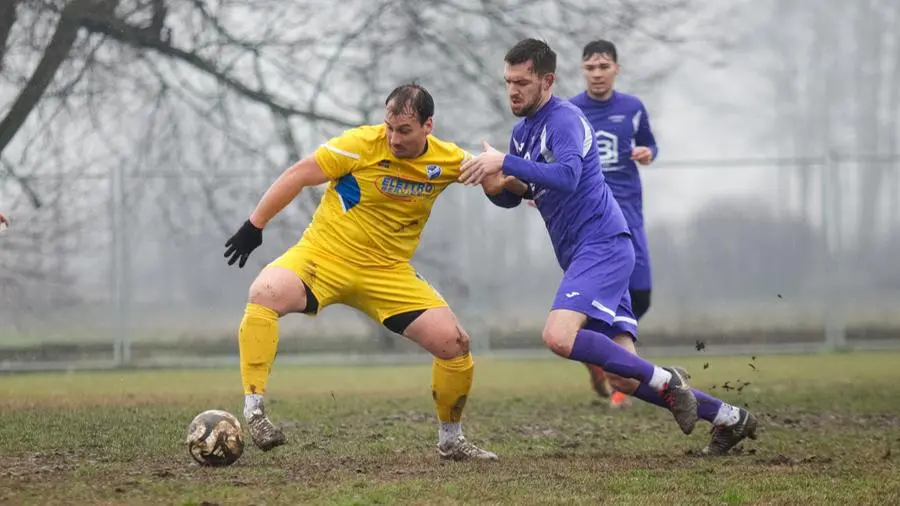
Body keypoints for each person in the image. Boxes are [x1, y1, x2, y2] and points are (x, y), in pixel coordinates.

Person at [459, 38, 757, 455]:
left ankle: (668, 380)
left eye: (522, 82)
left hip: (603, 245)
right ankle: (729, 417)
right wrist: (495, 185)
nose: (513, 90)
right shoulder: (523, 131)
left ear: (547, 80)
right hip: (585, 254)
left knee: (559, 336)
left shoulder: (564, 120)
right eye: (508, 81)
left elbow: (565, 176)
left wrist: (505, 164)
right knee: (623, 377)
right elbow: (521, 192)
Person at [223, 84, 497, 461]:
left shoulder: (448, 159)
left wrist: (516, 177)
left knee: (455, 344)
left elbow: (494, 179)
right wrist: (255, 225)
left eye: (404, 130)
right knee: (264, 292)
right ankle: (254, 410)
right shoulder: (359, 144)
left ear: (428, 126)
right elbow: (300, 174)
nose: (393, 138)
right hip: (324, 257)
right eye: (389, 127)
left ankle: (451, 439)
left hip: (387, 272)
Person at [569, 39, 659, 408]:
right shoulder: (570, 110)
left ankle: (597, 353)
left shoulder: (633, 108)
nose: (597, 74)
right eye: (590, 68)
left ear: (616, 69)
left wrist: (647, 153)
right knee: (608, 296)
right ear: (582, 71)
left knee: (640, 296)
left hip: (629, 212)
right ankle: (618, 376)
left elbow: (651, 144)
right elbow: (554, 155)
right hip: (589, 215)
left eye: (603, 67)